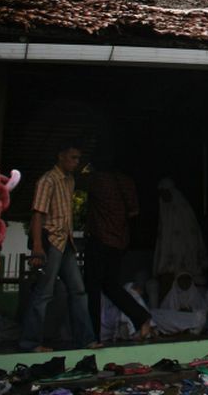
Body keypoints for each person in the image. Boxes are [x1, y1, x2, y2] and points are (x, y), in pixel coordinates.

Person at [19, 139, 98, 351]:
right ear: (61, 156)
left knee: (79, 291)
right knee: (44, 292)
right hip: (51, 241)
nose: (76, 162)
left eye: (78, 159)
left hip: (66, 243)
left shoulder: (70, 180)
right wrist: (37, 246)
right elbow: (38, 215)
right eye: (73, 158)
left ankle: (86, 339)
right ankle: (30, 343)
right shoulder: (48, 180)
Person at [84, 160, 153, 342]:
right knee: (111, 286)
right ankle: (141, 316)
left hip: (99, 239)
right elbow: (133, 212)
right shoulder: (127, 182)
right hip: (118, 241)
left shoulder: (96, 180)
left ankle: (92, 336)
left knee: (93, 289)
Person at [153, 178, 208, 289]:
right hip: (169, 260)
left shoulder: (183, 209)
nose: (163, 196)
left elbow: (191, 233)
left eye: (165, 192)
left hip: (185, 254)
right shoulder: (164, 208)